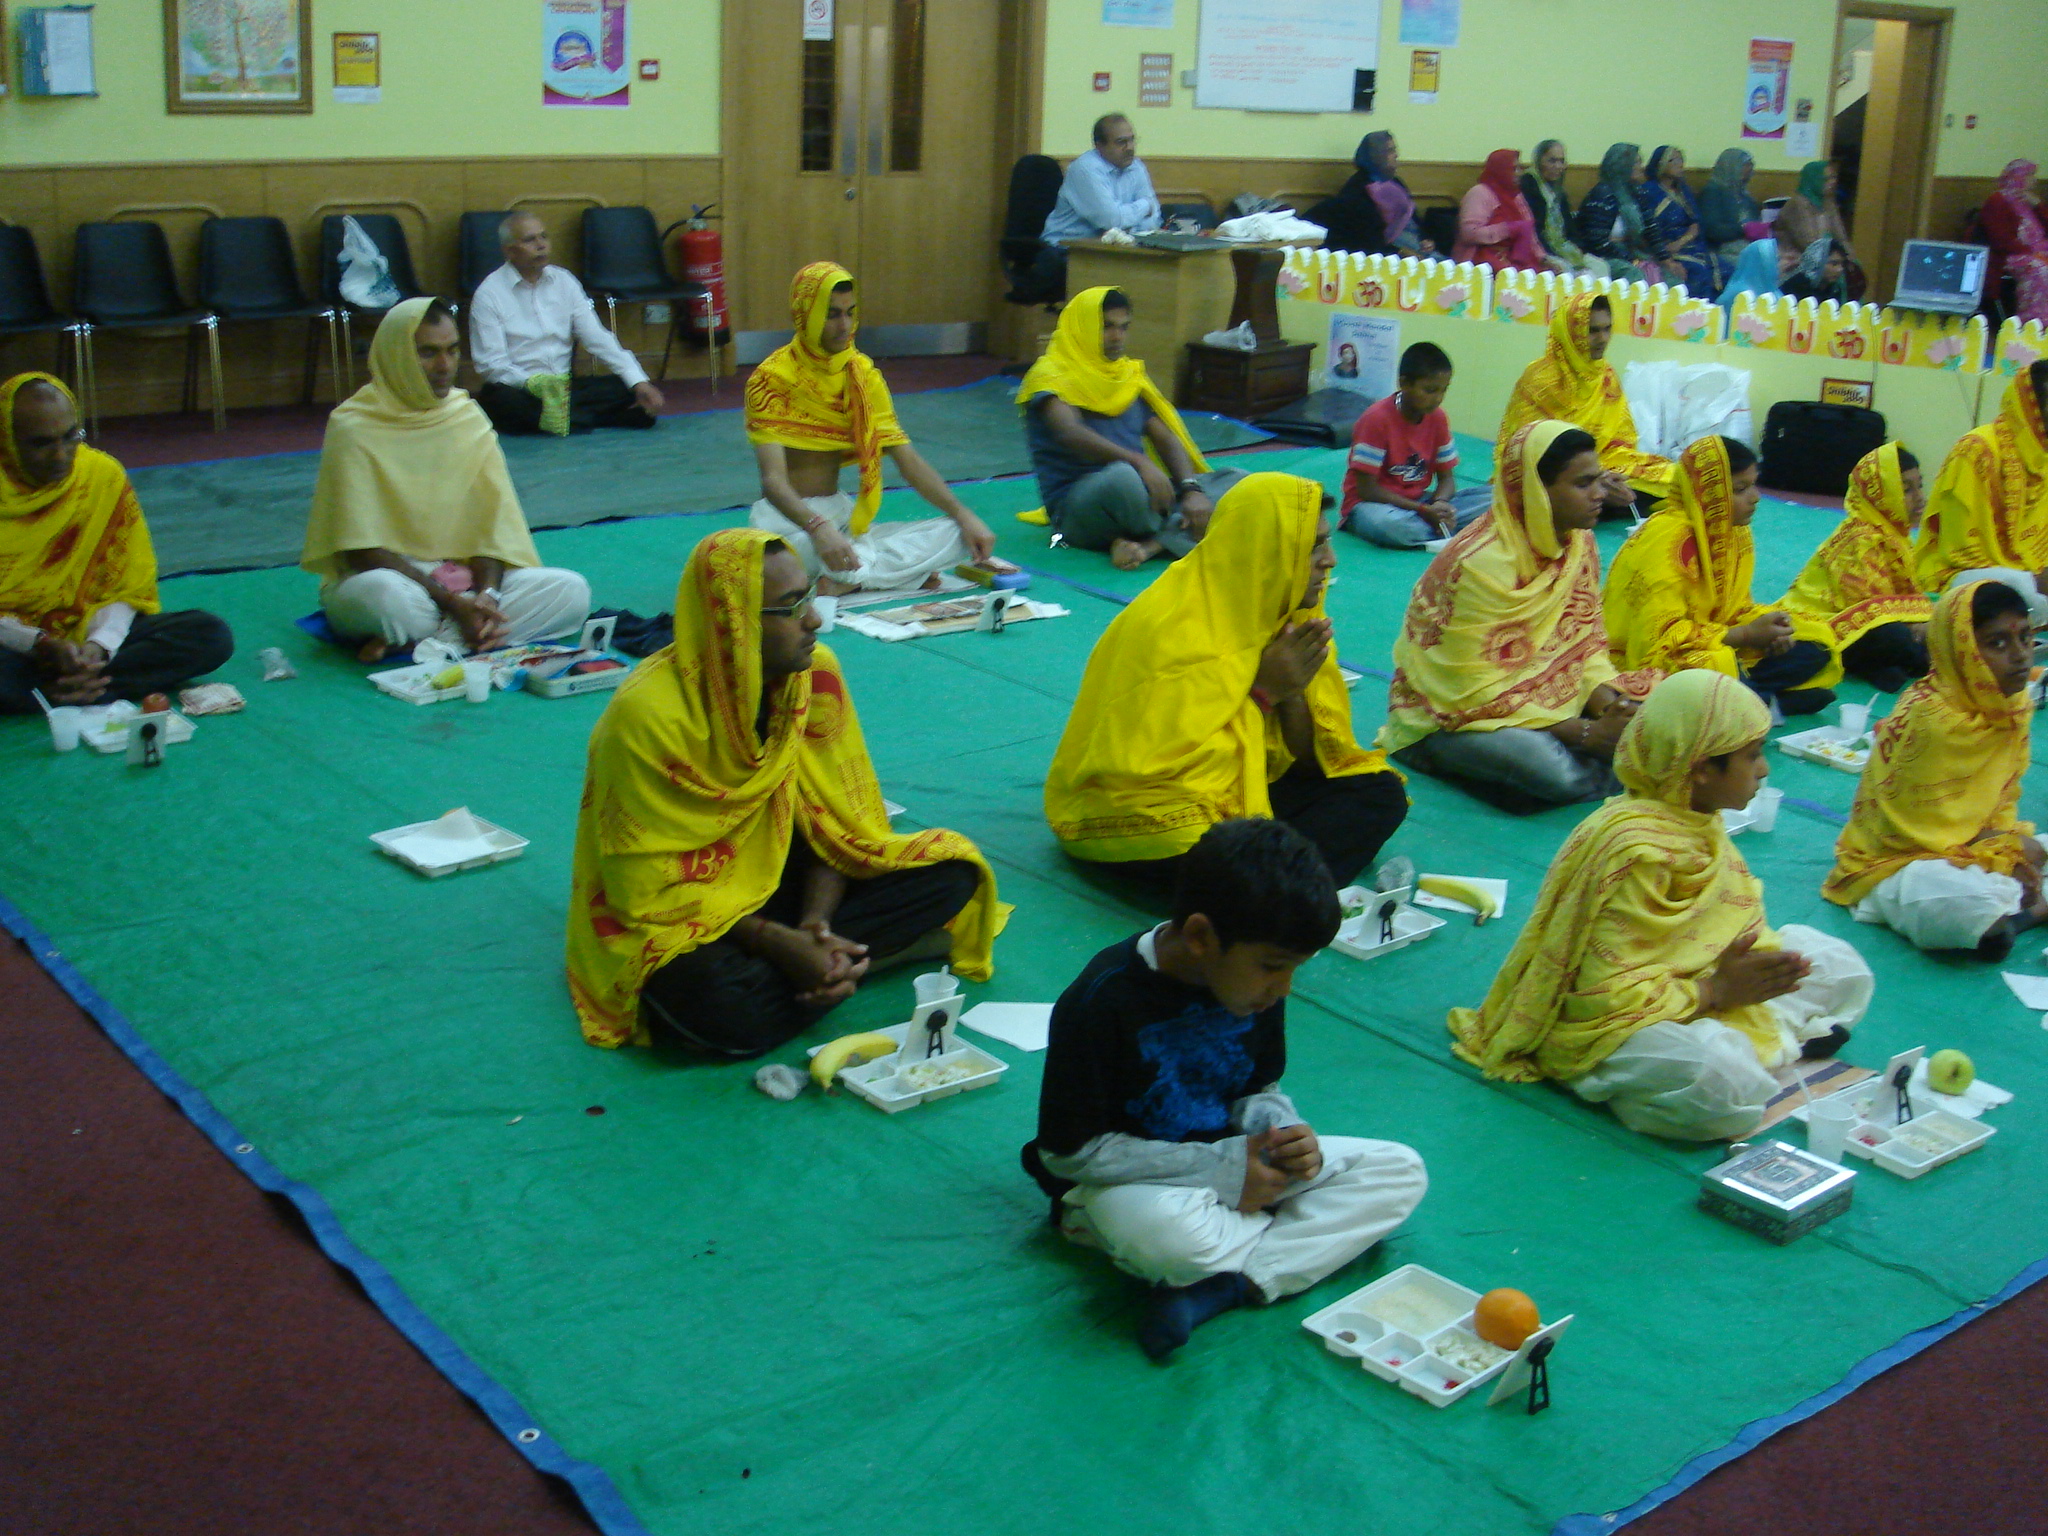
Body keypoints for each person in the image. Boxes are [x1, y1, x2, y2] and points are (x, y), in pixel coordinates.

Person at [565, 528, 1006, 1057]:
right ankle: (864, 960)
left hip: (781, 879)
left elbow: (836, 821)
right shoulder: (647, 716)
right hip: (687, 905)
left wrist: (815, 926)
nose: (814, 619)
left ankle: (825, 961)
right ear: (733, 623)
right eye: (791, 607)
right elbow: (642, 889)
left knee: (952, 869)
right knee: (715, 1001)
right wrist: (774, 940)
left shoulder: (813, 675)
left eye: (810, 597)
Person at [1021, 816, 1428, 1362]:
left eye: (1295, 970)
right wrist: (1226, 1172)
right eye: (1273, 967)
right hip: (1129, 1186)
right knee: (1172, 1239)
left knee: (1399, 1171)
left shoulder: (1255, 985)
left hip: (1234, 1166)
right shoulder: (1102, 999)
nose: (1284, 988)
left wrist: (1281, 1131)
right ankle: (1264, 1247)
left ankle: (1231, 1285)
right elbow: (1069, 1153)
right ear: (1200, 938)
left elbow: (1257, 1086)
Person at [1448, 669, 1873, 1142]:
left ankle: (1755, 1043)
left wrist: (1751, 968)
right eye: (1752, 756)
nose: (1764, 770)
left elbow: (1730, 924)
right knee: (1719, 1087)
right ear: (1701, 769)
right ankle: (1622, 1073)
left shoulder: (1696, 820)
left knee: (1837, 965)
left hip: (1701, 987)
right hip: (1618, 1020)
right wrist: (1714, 992)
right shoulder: (1633, 850)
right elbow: (1600, 996)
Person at [1044, 473, 1408, 889]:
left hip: (1240, 784)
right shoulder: (1171, 625)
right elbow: (1150, 771)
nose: (1330, 560)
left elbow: (1310, 763)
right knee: (1220, 855)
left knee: (1377, 792)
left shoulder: (1289, 613)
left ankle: (1273, 887)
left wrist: (1291, 692)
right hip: (1148, 807)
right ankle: (1277, 890)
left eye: (1326, 543)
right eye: (1313, 547)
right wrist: (1263, 693)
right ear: (1265, 551)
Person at [1379, 422, 1656, 805]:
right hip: (1450, 718)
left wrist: (1610, 705)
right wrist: (1585, 734)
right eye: (1583, 484)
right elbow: (1467, 689)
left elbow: (1584, 645)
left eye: (1598, 480)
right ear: (1536, 491)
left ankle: (1611, 756)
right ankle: (1616, 766)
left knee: (1658, 709)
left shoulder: (1578, 543)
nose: (1599, 495)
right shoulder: (1479, 564)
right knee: (1554, 772)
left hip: (1546, 701)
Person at [301, 299, 591, 662]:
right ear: (395, 355)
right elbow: (360, 550)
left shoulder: (466, 418)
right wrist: (452, 603)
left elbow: (493, 532)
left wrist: (488, 596)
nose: (445, 366)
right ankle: (464, 635)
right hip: (391, 581)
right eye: (428, 353)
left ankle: (432, 643)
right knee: (388, 599)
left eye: (452, 350)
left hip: (464, 582)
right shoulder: (353, 426)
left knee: (571, 591)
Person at [746, 263, 994, 623]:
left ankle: (849, 578)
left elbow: (907, 460)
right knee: (785, 559)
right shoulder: (771, 379)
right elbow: (773, 482)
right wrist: (818, 529)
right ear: (805, 315)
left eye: (850, 313)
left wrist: (963, 514)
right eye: (832, 315)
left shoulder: (861, 374)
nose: (844, 326)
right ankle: (876, 575)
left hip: (842, 522)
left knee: (957, 534)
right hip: (788, 525)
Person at [1823, 579, 2045, 959]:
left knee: (2027, 857)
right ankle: (2025, 913)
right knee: (1959, 901)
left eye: (2025, 638)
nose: (2021, 656)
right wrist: (2006, 851)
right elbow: (1916, 833)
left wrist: (2007, 847)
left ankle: (2016, 910)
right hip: (1901, 861)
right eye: (1997, 644)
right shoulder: (1932, 718)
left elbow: (2000, 802)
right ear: (1960, 650)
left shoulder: (2011, 704)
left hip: (1975, 845)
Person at [0, 373, 232, 714]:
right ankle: (77, 687)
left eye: (70, 437)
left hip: (83, 631)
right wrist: (39, 643)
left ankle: (67, 687)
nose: (61, 455)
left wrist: (98, 647)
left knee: (209, 634)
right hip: (14, 645)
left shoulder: (101, 476)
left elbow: (123, 587)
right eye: (41, 444)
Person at [1604, 435, 1840, 715]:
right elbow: (1656, 640)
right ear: (1709, 492)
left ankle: (1752, 698)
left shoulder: (1733, 531)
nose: (1755, 497)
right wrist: (1745, 635)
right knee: (1711, 666)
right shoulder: (1668, 541)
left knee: (1815, 639)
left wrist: (1770, 632)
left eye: (1753, 485)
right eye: (1740, 489)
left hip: (1716, 639)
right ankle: (1761, 702)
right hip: (1660, 656)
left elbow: (1733, 609)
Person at [1018, 286, 1241, 569]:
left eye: (1124, 327)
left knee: (1239, 482)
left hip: (1144, 495)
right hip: (1081, 506)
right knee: (1123, 478)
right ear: (1081, 327)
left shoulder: (1126, 375)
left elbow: (1164, 438)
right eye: (1107, 327)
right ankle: (1197, 529)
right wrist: (1138, 461)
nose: (1117, 337)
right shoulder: (1049, 376)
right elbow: (1070, 433)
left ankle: (1150, 545)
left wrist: (1190, 489)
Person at [466, 213, 665, 437]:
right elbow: (492, 364)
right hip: (522, 389)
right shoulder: (489, 294)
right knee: (501, 402)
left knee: (624, 385)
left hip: (564, 388)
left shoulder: (564, 281)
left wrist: (638, 382)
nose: (541, 245)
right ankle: (602, 419)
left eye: (544, 237)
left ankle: (564, 420)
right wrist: (532, 383)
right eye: (530, 240)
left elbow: (597, 337)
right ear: (509, 251)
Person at [1500, 292, 1675, 516]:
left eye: (1607, 329)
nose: (1603, 339)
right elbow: (1530, 452)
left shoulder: (1605, 375)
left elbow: (1621, 438)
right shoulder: (1539, 380)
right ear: (1570, 332)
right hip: (1557, 472)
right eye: (1593, 331)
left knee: (1673, 476)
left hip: (1604, 463)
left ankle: (1599, 499)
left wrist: (1608, 476)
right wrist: (1594, 478)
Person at [1780, 442, 1932, 691]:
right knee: (1897, 638)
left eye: (1920, 486)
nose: (1920, 498)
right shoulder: (1860, 539)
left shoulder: (1894, 533)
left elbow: (1902, 597)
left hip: (1874, 621)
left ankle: (1888, 664)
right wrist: (1918, 626)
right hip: (1827, 621)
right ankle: (1896, 662)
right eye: (1906, 490)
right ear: (1881, 495)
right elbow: (1869, 609)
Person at [1913, 363, 2048, 596]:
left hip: (2029, 575)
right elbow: (1958, 551)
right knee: (2022, 595)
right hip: (1960, 575)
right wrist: (2031, 581)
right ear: (2030, 405)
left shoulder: (2043, 458)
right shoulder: (1976, 450)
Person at [1340, 341, 1491, 549]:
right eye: (1430, 390)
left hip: (1420, 504)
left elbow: (1447, 479)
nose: (1438, 398)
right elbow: (1367, 490)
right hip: (1374, 506)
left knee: (1497, 498)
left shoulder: (1438, 418)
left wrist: (1440, 504)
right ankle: (1456, 531)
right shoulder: (1376, 419)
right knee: (1392, 525)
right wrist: (1423, 510)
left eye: (1443, 390)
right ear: (1404, 383)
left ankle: (1442, 528)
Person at [1041, 114, 1162, 248]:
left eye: (1132, 140)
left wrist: (1130, 231)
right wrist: (1146, 205)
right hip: (1066, 247)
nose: (1130, 147)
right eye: (1121, 142)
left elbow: (1155, 216)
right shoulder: (1085, 169)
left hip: (1115, 248)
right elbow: (1110, 220)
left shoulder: (1136, 166)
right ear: (1099, 145)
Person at [1520, 140, 1617, 279]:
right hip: (1540, 250)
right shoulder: (1528, 185)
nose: (1558, 166)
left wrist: (1579, 251)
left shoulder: (1558, 190)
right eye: (1552, 161)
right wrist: (1552, 256)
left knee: (1600, 267)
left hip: (1564, 248)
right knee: (1566, 272)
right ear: (1539, 161)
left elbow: (1570, 228)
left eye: (1561, 161)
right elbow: (1534, 230)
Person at [1636, 146, 1721, 296]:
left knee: (1726, 269)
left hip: (1688, 245)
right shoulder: (1648, 191)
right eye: (1673, 160)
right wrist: (1666, 248)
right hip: (1664, 248)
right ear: (1661, 164)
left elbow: (1695, 223)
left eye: (1681, 160)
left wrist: (1682, 241)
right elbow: (1647, 227)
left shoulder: (1683, 191)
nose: (1679, 164)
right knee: (1697, 272)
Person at [1454, 149, 1555, 275]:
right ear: (1500, 170)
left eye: (1519, 168)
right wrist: (1508, 229)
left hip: (1514, 258)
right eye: (1513, 169)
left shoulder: (1516, 196)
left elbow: (1529, 232)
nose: (1519, 173)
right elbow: (1469, 233)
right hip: (1481, 261)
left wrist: (1543, 259)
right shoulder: (1479, 193)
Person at [1977, 159, 2048, 326]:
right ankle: (2033, 322)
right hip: (2008, 256)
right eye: (2030, 176)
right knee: (2039, 269)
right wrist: (2033, 252)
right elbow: (2001, 240)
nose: (2034, 181)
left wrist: (2038, 206)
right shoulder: (1997, 201)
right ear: (2017, 177)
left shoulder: (2027, 201)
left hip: (2034, 251)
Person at [1573, 144, 1658, 281]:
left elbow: (1651, 229)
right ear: (1621, 166)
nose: (1640, 167)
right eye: (1636, 162)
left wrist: (1665, 259)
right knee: (1634, 274)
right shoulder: (1603, 194)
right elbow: (1598, 243)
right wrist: (1631, 259)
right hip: (1603, 257)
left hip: (1631, 252)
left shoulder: (1638, 193)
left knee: (1669, 275)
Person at [1775, 162, 1860, 294]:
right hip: (1797, 261)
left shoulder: (1828, 202)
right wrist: (1835, 260)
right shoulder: (1798, 204)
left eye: (1834, 177)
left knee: (1851, 269)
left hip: (1825, 255)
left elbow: (1841, 237)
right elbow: (1809, 243)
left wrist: (1850, 258)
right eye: (1827, 179)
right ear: (1814, 180)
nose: (1833, 182)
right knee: (1835, 269)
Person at [1352, 132, 1432, 256]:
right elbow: (1365, 236)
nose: (1396, 155)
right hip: (1390, 249)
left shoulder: (1395, 182)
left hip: (1415, 242)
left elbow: (1413, 217)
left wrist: (1425, 238)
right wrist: (1399, 252)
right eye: (1390, 151)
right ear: (1376, 155)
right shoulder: (1358, 188)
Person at [1698, 148, 1763, 268]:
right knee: (1762, 264)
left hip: (1748, 245)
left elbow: (1755, 221)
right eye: (1745, 165)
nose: (1750, 168)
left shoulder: (1744, 195)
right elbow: (1713, 231)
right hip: (1722, 250)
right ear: (1731, 166)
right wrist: (1744, 229)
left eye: (1751, 165)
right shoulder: (1712, 193)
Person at [1716, 237, 1797, 315]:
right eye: (1777, 259)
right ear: (1760, 263)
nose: (1785, 264)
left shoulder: (1775, 292)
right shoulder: (1737, 295)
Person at [1780, 238, 1849, 303]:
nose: (1840, 269)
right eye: (1834, 264)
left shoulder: (1834, 289)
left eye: (1842, 264)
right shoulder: (1796, 286)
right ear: (1817, 262)